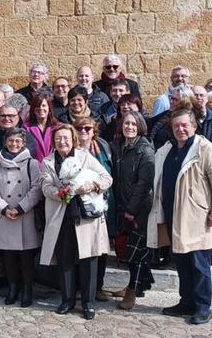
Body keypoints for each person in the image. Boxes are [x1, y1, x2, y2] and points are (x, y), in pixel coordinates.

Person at [40, 124, 112, 320]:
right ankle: (67, 299)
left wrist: (93, 186)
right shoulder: (47, 161)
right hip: (60, 216)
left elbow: (107, 178)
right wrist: (62, 193)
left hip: (85, 216)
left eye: (65, 138)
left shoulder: (85, 157)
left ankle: (88, 304)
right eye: (58, 138)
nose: (62, 142)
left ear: (73, 139)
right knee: (65, 259)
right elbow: (45, 187)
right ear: (53, 141)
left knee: (89, 260)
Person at [148, 109, 212, 325]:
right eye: (176, 126)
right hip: (172, 214)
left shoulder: (204, 149)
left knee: (199, 264)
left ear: (194, 126)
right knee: (182, 262)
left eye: (184, 125)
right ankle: (186, 302)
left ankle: (203, 306)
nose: (180, 129)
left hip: (197, 216)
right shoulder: (167, 149)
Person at [0, 128, 43, 307]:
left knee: (26, 257)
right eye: (11, 141)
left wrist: (21, 208)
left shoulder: (32, 163)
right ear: (5, 142)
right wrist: (4, 209)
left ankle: (27, 288)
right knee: (8, 256)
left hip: (25, 215)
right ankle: (12, 287)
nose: (14, 144)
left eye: (18, 141)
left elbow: (36, 189)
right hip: (4, 216)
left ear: (23, 143)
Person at [111, 111, 155, 310]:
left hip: (139, 209)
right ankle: (140, 284)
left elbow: (144, 184)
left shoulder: (144, 150)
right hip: (123, 206)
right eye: (126, 123)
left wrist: (131, 209)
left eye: (133, 124)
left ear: (140, 127)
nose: (129, 127)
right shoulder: (119, 146)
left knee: (135, 253)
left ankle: (132, 291)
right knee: (130, 250)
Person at [73, 116, 114, 302]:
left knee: (100, 246)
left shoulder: (103, 148)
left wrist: (95, 186)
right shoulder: (70, 150)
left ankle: (97, 286)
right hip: (78, 206)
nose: (83, 132)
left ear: (94, 131)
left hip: (102, 203)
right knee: (79, 247)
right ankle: (78, 287)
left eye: (87, 129)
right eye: (79, 128)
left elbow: (110, 173)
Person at [25, 95, 59, 164]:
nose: (41, 108)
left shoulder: (58, 127)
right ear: (33, 109)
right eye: (37, 106)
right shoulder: (26, 127)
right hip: (33, 167)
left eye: (44, 105)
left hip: (53, 167)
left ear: (49, 108)